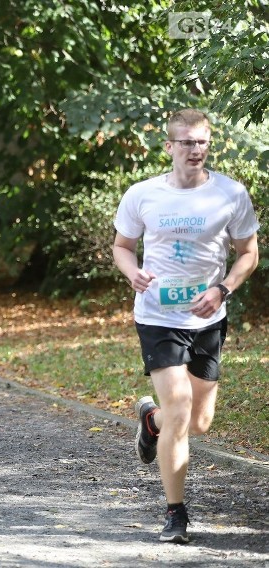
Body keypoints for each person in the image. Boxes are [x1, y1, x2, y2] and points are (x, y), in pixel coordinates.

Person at [112, 109, 260, 544]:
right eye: (187, 142)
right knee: (180, 408)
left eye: (202, 142)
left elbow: (248, 253)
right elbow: (122, 246)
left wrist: (223, 289)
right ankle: (175, 514)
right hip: (157, 316)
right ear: (169, 147)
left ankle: (151, 421)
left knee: (199, 423)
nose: (195, 150)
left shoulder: (230, 194)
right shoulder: (143, 195)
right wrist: (132, 272)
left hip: (208, 317)